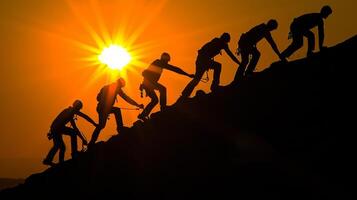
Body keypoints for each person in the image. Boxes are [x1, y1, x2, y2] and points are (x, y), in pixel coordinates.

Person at [180, 33, 240, 99]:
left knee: (197, 79)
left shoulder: (219, 42)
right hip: (202, 60)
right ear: (224, 39)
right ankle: (214, 86)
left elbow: (230, 54)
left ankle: (185, 94)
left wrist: (207, 63)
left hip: (201, 60)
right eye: (226, 41)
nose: (226, 43)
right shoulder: (218, 42)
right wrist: (239, 63)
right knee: (218, 66)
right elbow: (229, 54)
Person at [88, 78, 144, 147]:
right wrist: (137, 105)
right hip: (103, 108)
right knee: (115, 112)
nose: (120, 88)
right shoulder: (113, 88)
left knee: (101, 125)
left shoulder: (112, 87)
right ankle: (120, 128)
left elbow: (126, 98)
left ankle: (91, 143)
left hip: (102, 108)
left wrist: (137, 104)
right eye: (121, 86)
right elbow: (126, 98)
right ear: (120, 84)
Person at [138, 53, 194, 120]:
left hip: (148, 84)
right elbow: (175, 69)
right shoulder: (158, 62)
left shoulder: (159, 63)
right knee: (162, 89)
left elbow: (174, 69)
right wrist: (187, 75)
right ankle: (163, 107)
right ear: (164, 59)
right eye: (167, 61)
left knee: (155, 100)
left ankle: (143, 115)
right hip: (148, 84)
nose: (167, 63)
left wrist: (187, 74)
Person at [43, 100, 97, 166]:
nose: (79, 111)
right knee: (63, 143)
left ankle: (52, 160)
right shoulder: (70, 112)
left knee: (60, 146)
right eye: (79, 109)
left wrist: (94, 124)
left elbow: (84, 118)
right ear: (77, 107)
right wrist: (83, 138)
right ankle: (73, 153)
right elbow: (79, 124)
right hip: (57, 128)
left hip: (56, 128)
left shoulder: (70, 111)